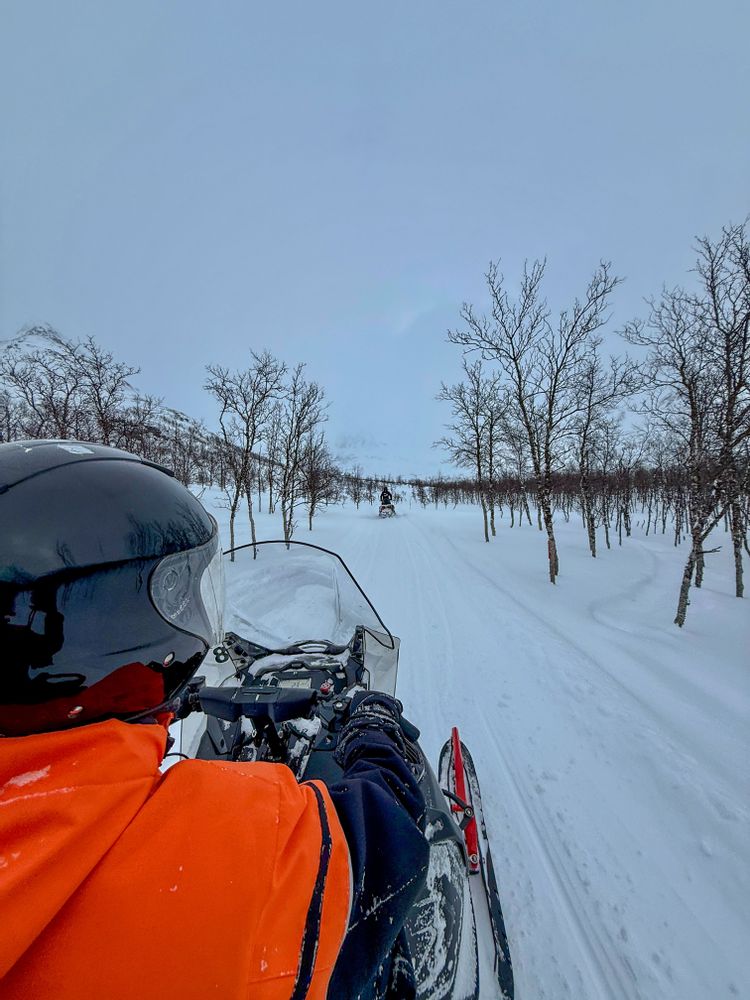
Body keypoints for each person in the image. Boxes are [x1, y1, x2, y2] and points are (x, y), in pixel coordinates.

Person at [0, 440, 428, 999]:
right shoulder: (242, 847)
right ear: (112, 622)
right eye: (178, 593)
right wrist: (375, 731)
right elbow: (383, 834)